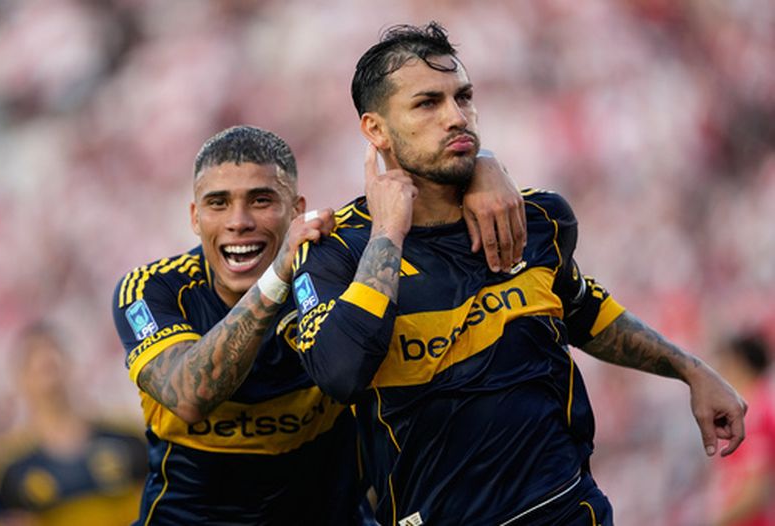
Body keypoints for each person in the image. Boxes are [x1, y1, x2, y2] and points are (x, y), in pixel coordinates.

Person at [291, 22, 748, 525]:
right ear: (376, 130)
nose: (456, 117)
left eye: (463, 97)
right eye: (427, 104)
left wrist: (691, 371)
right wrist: (388, 232)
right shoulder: (335, 250)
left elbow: (582, 310)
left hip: (567, 508)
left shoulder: (535, 219)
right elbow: (340, 373)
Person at [111, 124, 527, 524]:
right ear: (194, 217)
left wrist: (482, 168)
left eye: (261, 200)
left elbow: (415, 221)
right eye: (218, 203)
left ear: (296, 211)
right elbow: (189, 395)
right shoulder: (152, 289)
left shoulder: (334, 272)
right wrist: (277, 276)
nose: (238, 221)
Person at [0, 321, 146, 526]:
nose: (45, 364)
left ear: (71, 365)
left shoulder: (127, 438)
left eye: (52, 355)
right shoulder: (7, 465)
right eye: (34, 360)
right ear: (20, 378)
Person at [709, 331, 775, 526]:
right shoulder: (745, 412)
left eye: (726, 362)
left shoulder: (757, 414)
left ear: (740, 365)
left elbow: (755, 490)